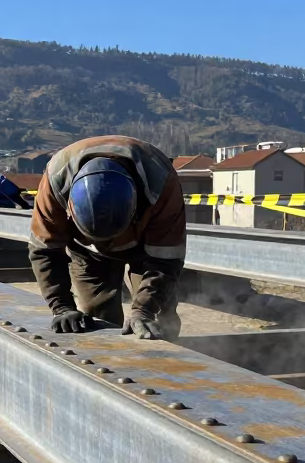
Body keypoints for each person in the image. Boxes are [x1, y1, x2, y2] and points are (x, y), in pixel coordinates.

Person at [28, 136, 186, 339]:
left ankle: (165, 361)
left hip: (145, 246)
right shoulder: (55, 182)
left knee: (156, 319)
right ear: (70, 209)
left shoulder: (160, 182)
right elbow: (44, 251)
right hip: (87, 252)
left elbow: (166, 259)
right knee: (96, 316)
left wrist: (143, 310)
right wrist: (62, 308)